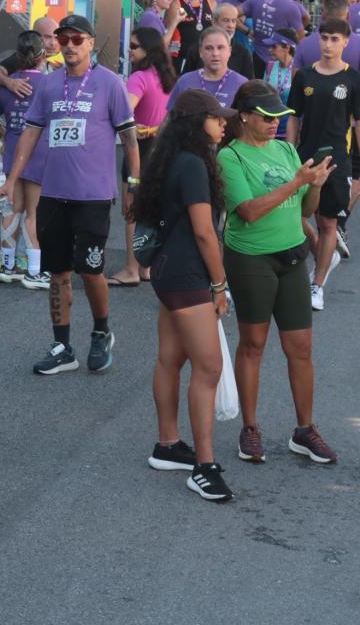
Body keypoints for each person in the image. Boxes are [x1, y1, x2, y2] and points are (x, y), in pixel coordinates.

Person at [0, 15, 139, 375]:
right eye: (63, 39)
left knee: (90, 270)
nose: (69, 45)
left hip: (93, 195)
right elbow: (29, 135)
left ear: (91, 43)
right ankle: (62, 345)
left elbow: (130, 138)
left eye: (77, 39)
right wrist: (12, 180)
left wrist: (135, 183)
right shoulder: (48, 84)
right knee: (56, 271)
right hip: (53, 195)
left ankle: (102, 331)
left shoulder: (110, 84)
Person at [219, 82, 338, 465]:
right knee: (253, 344)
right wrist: (297, 182)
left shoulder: (287, 149)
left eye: (279, 118)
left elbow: (306, 210)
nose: (275, 125)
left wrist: (314, 186)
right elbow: (249, 212)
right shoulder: (230, 157)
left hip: (291, 257)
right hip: (252, 258)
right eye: (266, 118)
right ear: (245, 117)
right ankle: (250, 429)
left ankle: (304, 430)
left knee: (301, 348)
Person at [133, 91, 234, 501]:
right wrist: (220, 284)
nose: (225, 123)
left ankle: (168, 444)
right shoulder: (193, 164)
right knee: (208, 367)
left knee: (170, 359)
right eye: (217, 117)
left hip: (167, 271)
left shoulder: (172, 158)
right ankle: (204, 467)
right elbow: (205, 231)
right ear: (197, 122)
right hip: (189, 274)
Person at [286, 18, 360, 310]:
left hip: (338, 160)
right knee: (295, 215)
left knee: (329, 221)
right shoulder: (304, 76)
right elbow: (293, 117)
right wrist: (290, 151)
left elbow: (357, 124)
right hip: (305, 157)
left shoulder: (353, 79)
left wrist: (358, 167)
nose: (328, 44)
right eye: (324, 38)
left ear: (345, 42)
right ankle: (323, 255)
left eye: (334, 39)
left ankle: (317, 286)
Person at [0, 30, 50, 289]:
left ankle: (8, 266)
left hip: (11, 151)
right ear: (43, 55)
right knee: (34, 213)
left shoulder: (4, 85)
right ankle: (33, 271)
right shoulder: (49, 84)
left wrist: (5, 132)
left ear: (17, 55)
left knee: (12, 209)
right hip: (40, 153)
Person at [108, 26, 176, 287]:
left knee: (133, 211)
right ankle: (146, 266)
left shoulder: (139, 78)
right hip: (163, 151)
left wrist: (140, 128)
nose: (130, 50)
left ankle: (130, 268)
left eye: (134, 46)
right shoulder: (166, 77)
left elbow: (123, 117)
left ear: (148, 49)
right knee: (153, 211)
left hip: (139, 151)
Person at [240, 0, 310, 75]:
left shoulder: (257, 0)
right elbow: (306, 21)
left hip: (258, 57)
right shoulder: (293, 7)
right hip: (281, 60)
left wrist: (247, 31)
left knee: (259, 90)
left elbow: (230, 14)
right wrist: (292, 34)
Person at [166, 27, 249, 110]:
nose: (215, 53)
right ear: (200, 52)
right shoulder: (184, 81)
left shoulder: (242, 84)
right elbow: (170, 118)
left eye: (220, 48)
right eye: (209, 48)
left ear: (229, 51)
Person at [0, 16, 61, 98]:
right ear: (35, 36)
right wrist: (10, 82)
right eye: (47, 37)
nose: (53, 43)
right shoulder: (24, 58)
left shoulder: (55, 66)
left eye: (56, 38)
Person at [291, 0, 360, 71]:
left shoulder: (304, 44)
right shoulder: (358, 44)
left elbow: (295, 79)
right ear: (348, 16)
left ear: (323, 15)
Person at [166, 0, 215, 73]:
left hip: (205, 59)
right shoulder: (176, 4)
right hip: (183, 58)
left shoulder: (211, 3)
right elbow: (168, 34)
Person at [259, 29, 298, 140]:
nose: (270, 50)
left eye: (274, 47)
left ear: (287, 48)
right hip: (270, 126)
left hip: (290, 128)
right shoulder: (270, 66)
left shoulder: (298, 69)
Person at [211, 2, 256, 78]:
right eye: (226, 20)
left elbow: (249, 85)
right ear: (214, 22)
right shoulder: (199, 49)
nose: (230, 25)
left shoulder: (243, 53)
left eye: (234, 21)